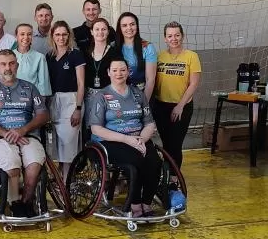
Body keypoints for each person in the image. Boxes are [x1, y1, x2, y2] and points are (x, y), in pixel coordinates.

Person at [0, 50, 50, 217]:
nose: (7, 68)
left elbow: (43, 114)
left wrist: (23, 130)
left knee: (34, 162)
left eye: (11, 63)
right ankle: (14, 203)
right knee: (11, 162)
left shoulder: (29, 87)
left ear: (17, 65)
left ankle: (26, 201)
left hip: (27, 134)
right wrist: (4, 133)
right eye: (3, 64)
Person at [86, 59, 162, 218]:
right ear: (108, 73)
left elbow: (149, 123)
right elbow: (96, 128)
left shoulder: (137, 93)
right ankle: (135, 205)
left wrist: (141, 138)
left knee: (155, 162)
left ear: (128, 72)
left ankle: (146, 203)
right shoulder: (101, 96)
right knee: (136, 161)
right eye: (114, 70)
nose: (118, 74)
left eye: (122, 70)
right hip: (112, 142)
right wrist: (126, 140)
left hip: (137, 139)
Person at [153, 21, 202, 170]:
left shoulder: (191, 57)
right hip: (161, 106)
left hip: (182, 106)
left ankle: (174, 180)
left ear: (182, 36)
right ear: (165, 38)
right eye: (170, 36)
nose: (174, 38)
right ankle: (167, 176)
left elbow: (193, 84)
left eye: (177, 35)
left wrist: (180, 106)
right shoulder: (159, 56)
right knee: (166, 143)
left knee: (175, 144)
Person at [46, 21, 86, 179]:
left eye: (64, 34)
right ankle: (60, 182)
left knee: (69, 143)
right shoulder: (48, 56)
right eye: (57, 34)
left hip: (71, 100)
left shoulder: (75, 54)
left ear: (69, 35)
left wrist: (78, 108)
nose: (61, 37)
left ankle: (67, 183)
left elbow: (81, 83)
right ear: (52, 36)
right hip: (52, 101)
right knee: (56, 145)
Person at [117, 12, 157, 100]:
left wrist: (144, 104)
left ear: (137, 26)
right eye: (124, 25)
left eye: (132, 24)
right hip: (119, 97)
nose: (129, 28)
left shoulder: (147, 47)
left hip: (141, 96)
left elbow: (150, 80)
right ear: (120, 28)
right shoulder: (114, 47)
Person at [83, 18, 121, 97]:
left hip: (110, 95)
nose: (100, 32)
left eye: (103, 29)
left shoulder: (115, 53)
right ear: (92, 32)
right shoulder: (85, 52)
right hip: (89, 96)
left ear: (108, 32)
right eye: (97, 29)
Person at [13, 23, 51, 97]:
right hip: (12, 99)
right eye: (22, 34)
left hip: (32, 100)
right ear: (16, 36)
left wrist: (39, 106)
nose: (26, 37)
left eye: (29, 34)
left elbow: (43, 86)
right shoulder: (9, 56)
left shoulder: (39, 57)